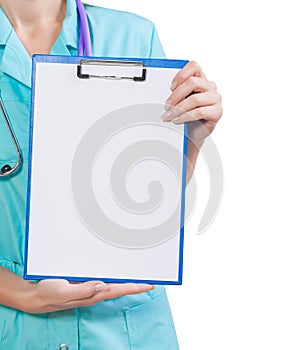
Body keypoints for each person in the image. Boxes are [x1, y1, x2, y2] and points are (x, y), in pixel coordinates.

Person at [0, 0, 222, 348]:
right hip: (16, 329)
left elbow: (149, 199)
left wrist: (193, 136)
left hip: (125, 328)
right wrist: (26, 295)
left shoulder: (133, 37)